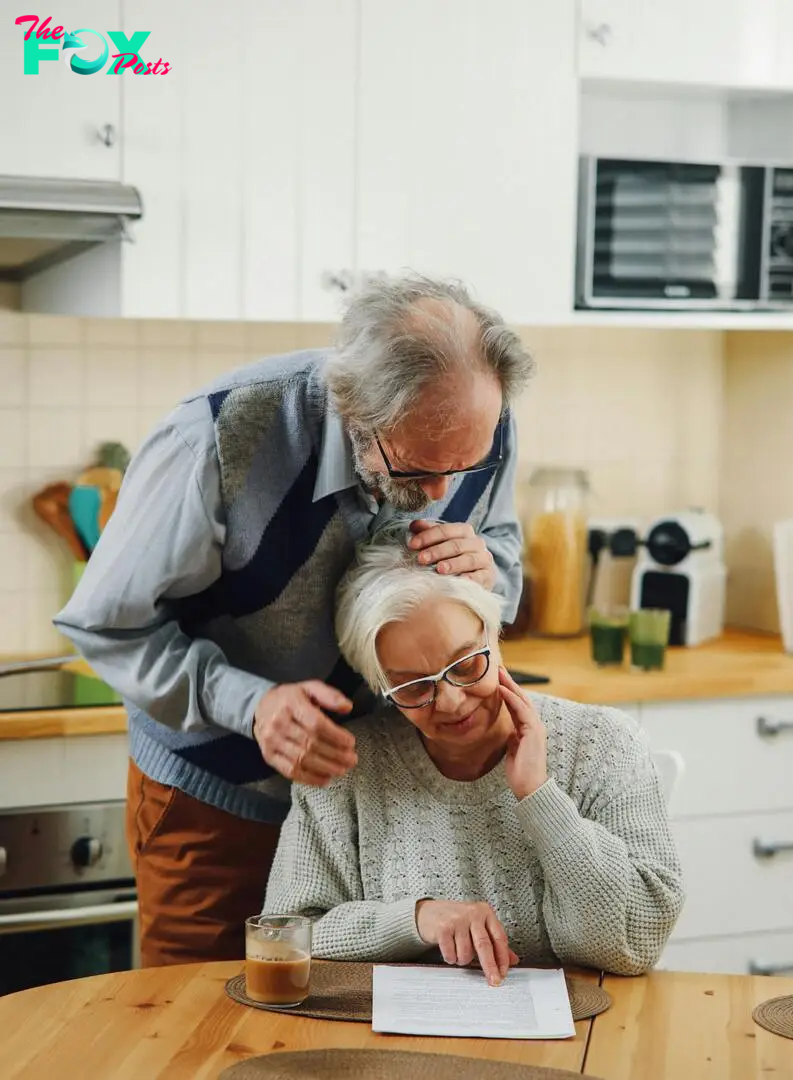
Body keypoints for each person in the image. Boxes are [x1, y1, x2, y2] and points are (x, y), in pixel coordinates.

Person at [53, 274, 535, 967]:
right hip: (221, 802)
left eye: (464, 466)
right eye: (419, 470)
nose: (442, 494)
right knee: (199, 1034)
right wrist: (253, 706)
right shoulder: (217, 437)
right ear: (353, 409)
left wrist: (487, 564)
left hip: (389, 805)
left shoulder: (476, 426)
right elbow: (107, 625)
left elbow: (505, 559)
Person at [264, 532, 685, 981]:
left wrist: (540, 798)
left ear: (494, 632)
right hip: (393, 1043)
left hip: (579, 1038)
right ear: (381, 687)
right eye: (413, 688)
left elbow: (636, 943)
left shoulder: (604, 743)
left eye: (466, 665)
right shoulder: (344, 767)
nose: (451, 702)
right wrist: (416, 920)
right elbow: (283, 937)